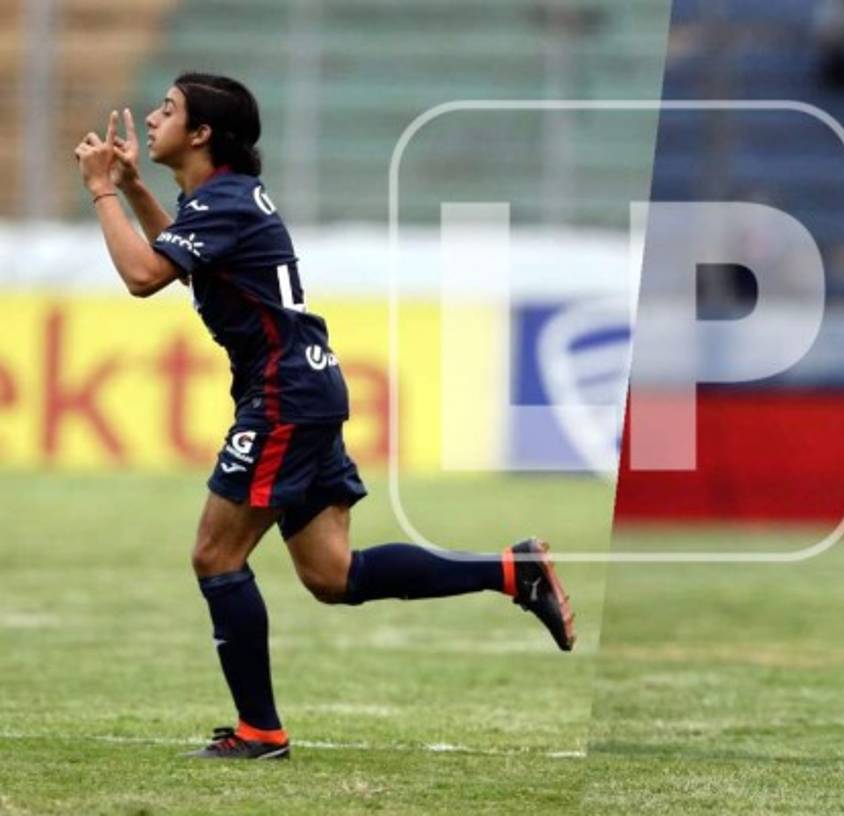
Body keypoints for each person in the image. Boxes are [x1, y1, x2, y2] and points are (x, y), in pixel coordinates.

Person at [73, 73, 575, 760]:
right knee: (332, 575)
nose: (152, 118)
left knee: (216, 555)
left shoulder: (222, 201)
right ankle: (513, 570)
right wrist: (133, 188)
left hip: (283, 394)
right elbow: (178, 264)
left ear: (200, 135)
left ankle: (260, 732)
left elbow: (142, 278)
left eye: (168, 110)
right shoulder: (217, 199)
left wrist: (102, 189)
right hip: (303, 386)